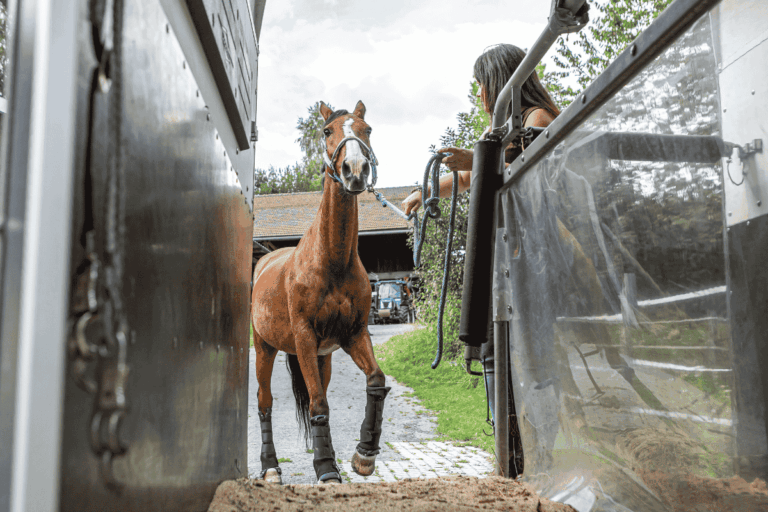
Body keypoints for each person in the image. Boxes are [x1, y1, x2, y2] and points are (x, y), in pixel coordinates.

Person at [401, 44, 561, 215]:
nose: (478, 93)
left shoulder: (536, 117)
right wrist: (425, 191)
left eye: (480, 84)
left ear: (498, 83)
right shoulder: (495, 129)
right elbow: (464, 178)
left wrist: (481, 162)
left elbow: (540, 179)